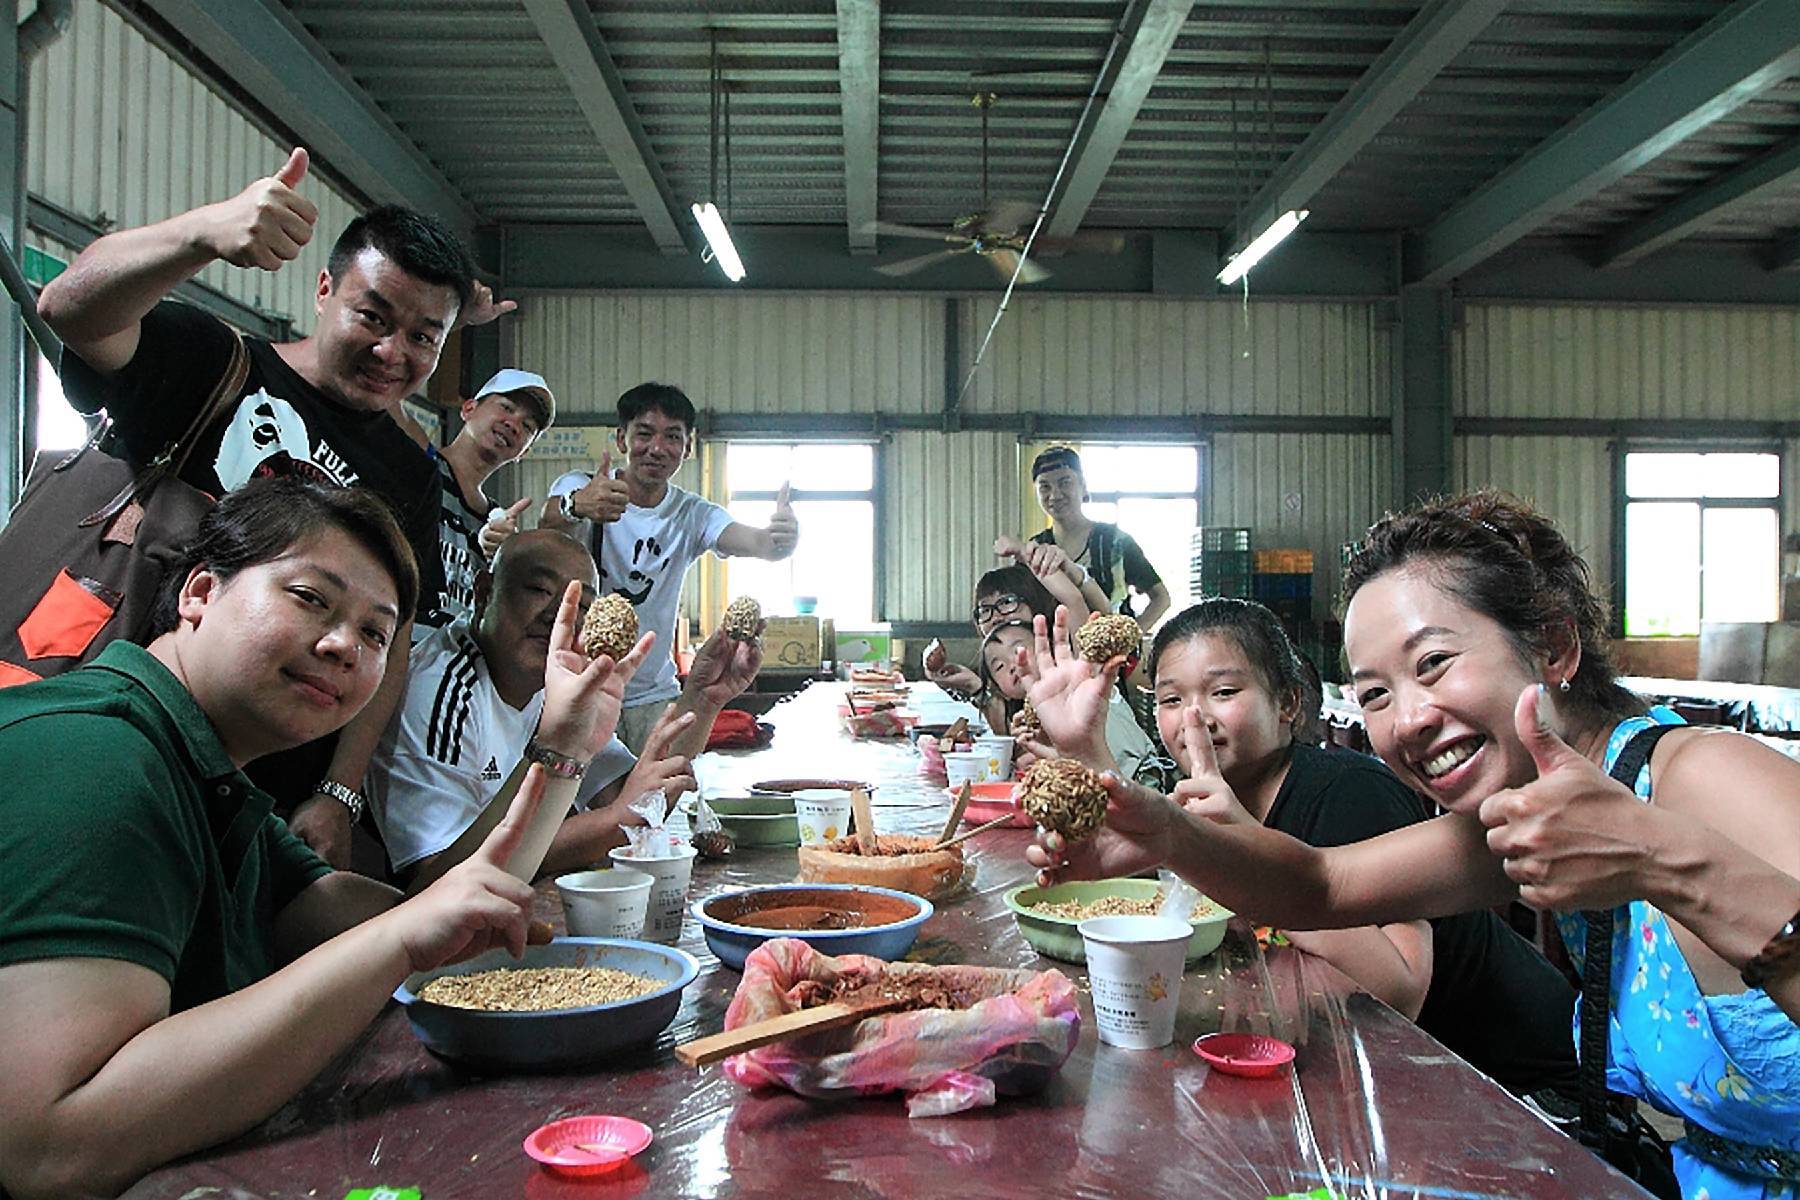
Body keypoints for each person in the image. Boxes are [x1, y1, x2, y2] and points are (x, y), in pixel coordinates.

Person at [1028, 491, 1800, 1200]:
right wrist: (1164, 831)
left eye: (1434, 664)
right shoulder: (1520, 817)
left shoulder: (1701, 777)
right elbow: (1321, 886)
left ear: (1555, 648)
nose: (1408, 720)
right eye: (1374, 694)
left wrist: (1669, 865)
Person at [0, 478, 632, 1198]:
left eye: (374, 633)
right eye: (310, 599)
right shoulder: (96, 760)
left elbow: (408, 911)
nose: (341, 646)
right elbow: (49, 1146)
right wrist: (402, 938)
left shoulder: (205, 774)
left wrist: (563, 746)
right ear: (200, 592)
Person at [35, 147, 514, 868]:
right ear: (324, 290)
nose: (393, 352)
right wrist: (201, 235)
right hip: (104, 747)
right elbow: (69, 308)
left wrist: (338, 792)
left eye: (423, 337)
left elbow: (397, 639)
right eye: (373, 316)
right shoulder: (217, 364)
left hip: (260, 804)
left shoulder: (411, 476)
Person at [1115, 597, 1578, 1097]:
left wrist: (1245, 843)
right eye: (1170, 700)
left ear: (1289, 704)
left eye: (1224, 691)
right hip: (1382, 1068)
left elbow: (1401, 989)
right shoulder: (1199, 801)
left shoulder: (1351, 793)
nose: (1194, 718)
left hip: (1520, 1087)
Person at [370, 528, 761, 888]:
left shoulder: (559, 676)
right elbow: (437, 879)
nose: (558, 616)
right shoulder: (441, 692)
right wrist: (614, 821)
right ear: (484, 591)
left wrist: (702, 698)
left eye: (581, 605)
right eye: (539, 590)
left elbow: (637, 798)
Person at [539, 382, 798, 752]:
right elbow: (546, 524)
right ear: (621, 439)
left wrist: (780, 540)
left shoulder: (692, 514)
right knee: (573, 802)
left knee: (659, 798)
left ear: (687, 448)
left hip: (653, 697)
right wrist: (577, 505)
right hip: (580, 687)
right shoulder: (582, 487)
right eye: (644, 433)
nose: (657, 448)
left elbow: (757, 543)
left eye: (672, 437)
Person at [421, 368, 555, 632]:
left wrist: (505, 560)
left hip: (455, 666)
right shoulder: (418, 471)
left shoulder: (499, 524)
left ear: (523, 453)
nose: (513, 423)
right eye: (506, 407)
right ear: (469, 409)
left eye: (528, 426)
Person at [980, 616, 1155, 786]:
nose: (1013, 664)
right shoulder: (1032, 719)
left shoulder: (1086, 681)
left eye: (1019, 649)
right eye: (999, 666)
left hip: (1142, 778)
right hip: (1099, 793)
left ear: (1048, 648)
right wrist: (1039, 748)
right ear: (1000, 691)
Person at [1028, 445, 1170, 629]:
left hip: (1111, 653)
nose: (1054, 495)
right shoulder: (1035, 549)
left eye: (1065, 482)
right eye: (1045, 487)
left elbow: (1161, 597)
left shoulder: (1115, 543)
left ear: (1083, 486)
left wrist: (1131, 638)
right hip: (1056, 652)